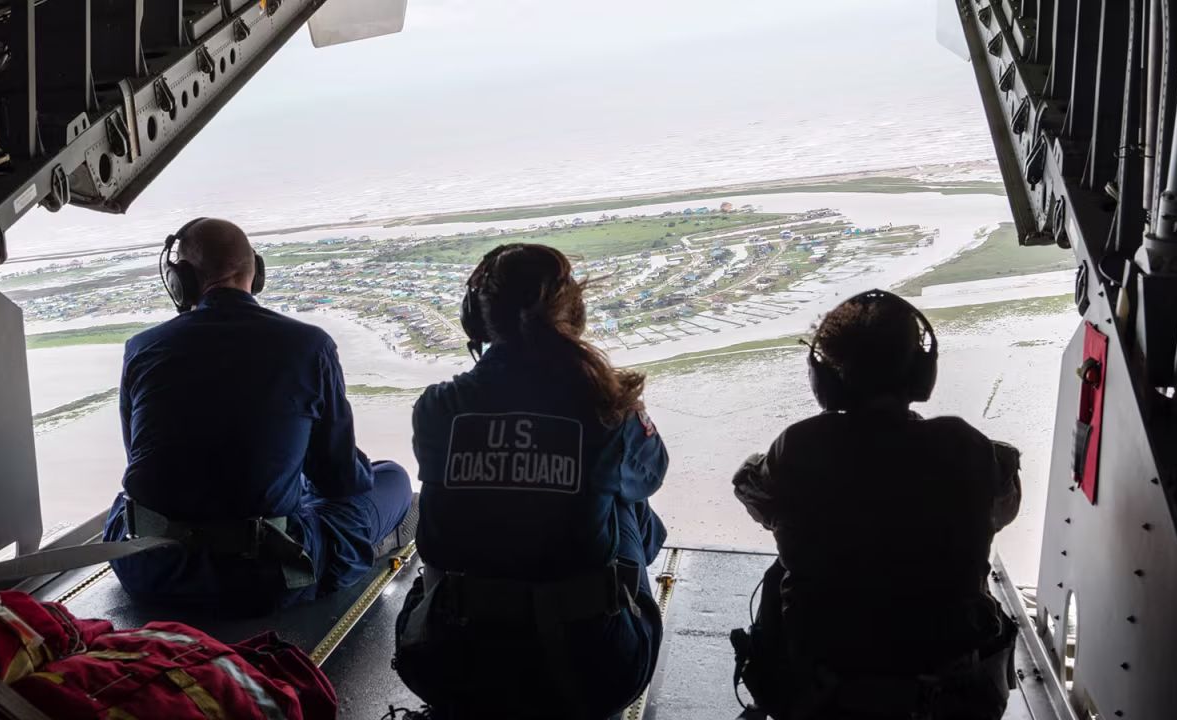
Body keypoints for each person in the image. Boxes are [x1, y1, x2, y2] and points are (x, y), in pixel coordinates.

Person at [393, 244, 669, 719]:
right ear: (573, 315)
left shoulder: (437, 407)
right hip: (591, 677)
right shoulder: (609, 408)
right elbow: (652, 474)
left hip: (448, 666)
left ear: (476, 322)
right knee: (625, 501)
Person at [102, 217, 417, 616]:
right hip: (264, 577)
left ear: (181, 279)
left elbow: (142, 462)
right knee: (392, 478)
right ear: (256, 272)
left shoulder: (141, 347)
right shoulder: (309, 345)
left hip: (149, 570)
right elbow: (340, 480)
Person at [731, 289, 1022, 720]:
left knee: (780, 576)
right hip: (956, 695)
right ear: (923, 374)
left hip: (827, 694)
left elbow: (753, 496)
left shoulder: (799, 447)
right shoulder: (967, 446)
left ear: (825, 380)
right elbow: (1003, 509)